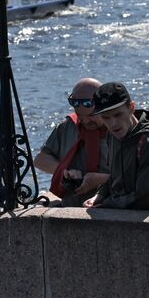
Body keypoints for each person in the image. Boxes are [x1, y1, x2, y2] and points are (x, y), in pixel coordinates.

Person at [83, 81, 149, 211]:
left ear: (131, 107)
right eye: (106, 118)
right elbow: (114, 177)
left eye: (118, 115)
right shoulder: (112, 136)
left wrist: (106, 205)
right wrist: (99, 195)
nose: (113, 124)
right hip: (116, 218)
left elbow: (147, 200)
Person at [36, 78, 111, 207]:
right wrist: (64, 170)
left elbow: (138, 177)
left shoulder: (118, 128)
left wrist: (100, 180)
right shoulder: (69, 126)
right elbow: (40, 160)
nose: (86, 121)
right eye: (81, 116)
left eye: (91, 116)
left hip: (110, 208)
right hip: (72, 206)